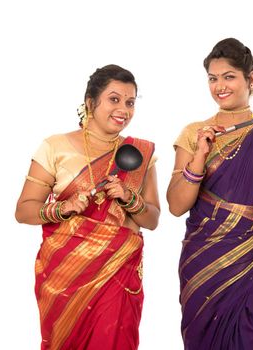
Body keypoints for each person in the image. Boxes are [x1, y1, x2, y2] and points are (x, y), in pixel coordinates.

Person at [167, 38, 253, 350]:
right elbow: (176, 205)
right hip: (205, 262)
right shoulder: (195, 132)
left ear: (251, 79)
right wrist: (199, 156)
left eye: (229, 76)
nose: (220, 86)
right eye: (213, 78)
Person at [15, 64, 160, 350]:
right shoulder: (56, 147)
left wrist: (129, 198)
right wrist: (61, 208)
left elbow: (152, 219)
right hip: (65, 277)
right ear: (90, 102)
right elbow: (24, 210)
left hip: (118, 274)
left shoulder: (140, 153)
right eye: (114, 99)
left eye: (130, 102)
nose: (124, 109)